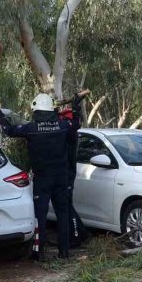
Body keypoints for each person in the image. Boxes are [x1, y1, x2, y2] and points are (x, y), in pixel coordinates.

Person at [0, 93, 79, 260]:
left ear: (36, 110)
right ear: (52, 110)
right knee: (63, 214)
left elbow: (9, 130)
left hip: (42, 179)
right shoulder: (63, 126)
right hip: (61, 178)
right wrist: (76, 106)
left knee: (40, 216)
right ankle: (64, 252)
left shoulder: (31, 128)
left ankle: (39, 252)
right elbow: (75, 125)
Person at [58, 90, 90, 248]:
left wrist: (75, 106)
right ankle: (78, 234)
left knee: (67, 206)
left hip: (67, 174)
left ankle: (77, 235)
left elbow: (75, 123)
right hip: (67, 173)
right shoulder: (70, 133)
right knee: (67, 205)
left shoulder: (70, 134)